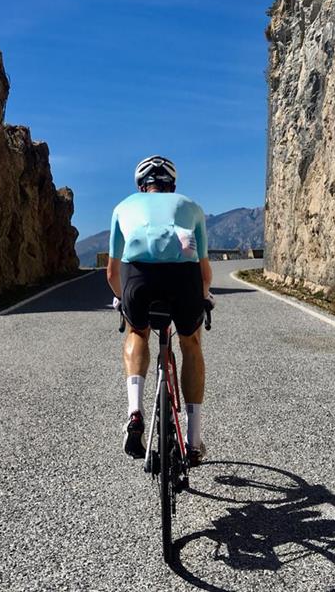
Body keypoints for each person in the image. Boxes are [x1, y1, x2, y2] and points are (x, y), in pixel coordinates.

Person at [107, 155, 214, 467]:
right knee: (190, 342)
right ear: (173, 185)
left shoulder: (123, 206)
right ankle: (193, 441)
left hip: (137, 280)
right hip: (184, 282)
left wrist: (121, 301)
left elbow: (112, 273)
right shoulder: (191, 207)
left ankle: (135, 413)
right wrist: (204, 298)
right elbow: (204, 272)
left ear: (142, 186)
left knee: (137, 331)